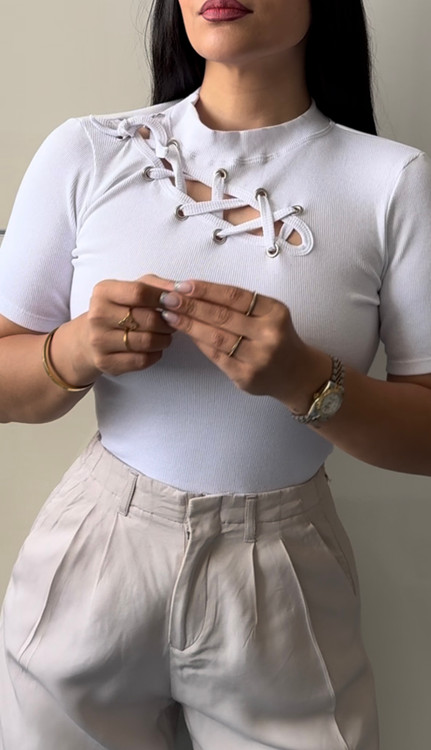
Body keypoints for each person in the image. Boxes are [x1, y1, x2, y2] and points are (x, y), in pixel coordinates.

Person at [0, 0, 430, 747]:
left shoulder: (391, 180)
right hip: (97, 548)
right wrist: (73, 349)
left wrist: (306, 380)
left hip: (285, 568)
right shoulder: (86, 152)